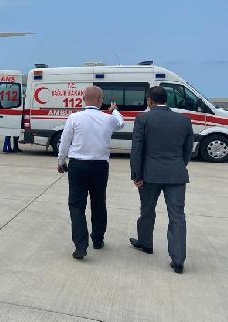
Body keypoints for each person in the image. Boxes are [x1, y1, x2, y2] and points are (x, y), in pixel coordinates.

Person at [129, 86, 194, 274]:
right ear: (167, 100)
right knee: (177, 216)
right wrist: (179, 165)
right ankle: (178, 259)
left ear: (149, 100)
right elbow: (187, 149)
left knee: (147, 210)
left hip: (150, 175)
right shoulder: (184, 120)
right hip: (176, 173)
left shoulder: (143, 119)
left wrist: (136, 175)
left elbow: (137, 150)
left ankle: (146, 243)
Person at [57, 86, 124, 260]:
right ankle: (98, 239)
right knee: (99, 203)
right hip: (100, 167)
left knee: (76, 205)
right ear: (100, 100)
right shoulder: (108, 119)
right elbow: (121, 123)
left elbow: (65, 142)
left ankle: (81, 246)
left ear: (83, 98)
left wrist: (61, 161)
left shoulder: (74, 117)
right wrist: (114, 111)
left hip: (78, 166)